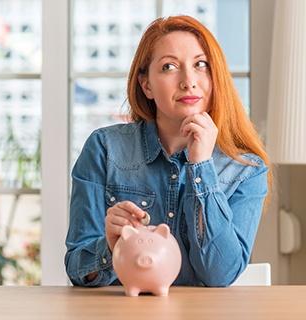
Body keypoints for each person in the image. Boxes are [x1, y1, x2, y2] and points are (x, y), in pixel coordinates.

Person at [65, 15, 272, 287]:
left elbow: (220, 276)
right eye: (169, 67)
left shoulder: (246, 169)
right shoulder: (104, 148)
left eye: (201, 65)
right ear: (146, 85)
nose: (189, 81)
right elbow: (77, 269)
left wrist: (201, 167)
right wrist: (110, 247)